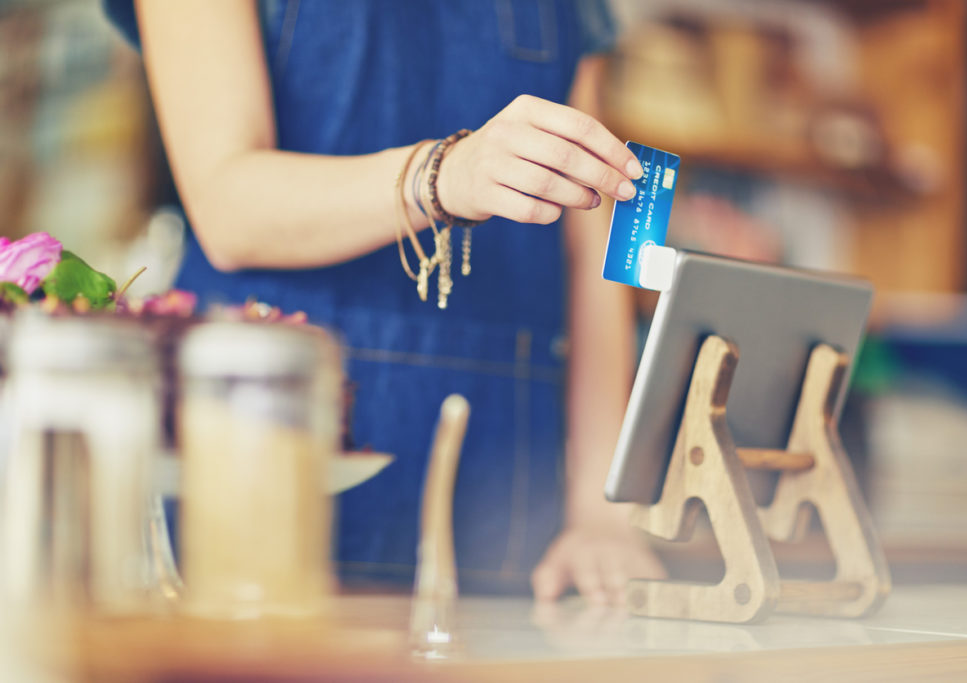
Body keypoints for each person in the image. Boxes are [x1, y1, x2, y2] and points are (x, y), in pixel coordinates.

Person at [105, 0, 665, 604]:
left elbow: (593, 227)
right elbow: (225, 206)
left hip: (504, 512)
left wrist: (603, 512)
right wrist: (444, 174)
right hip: (261, 474)